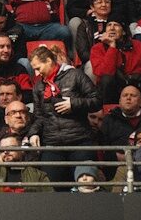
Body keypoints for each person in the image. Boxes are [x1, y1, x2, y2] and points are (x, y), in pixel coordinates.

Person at [26, 43, 100, 183]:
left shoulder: (76, 75)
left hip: (79, 140)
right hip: (52, 143)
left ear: (48, 61)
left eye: (38, 68)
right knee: (51, 187)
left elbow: (97, 101)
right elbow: (39, 116)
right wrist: (34, 133)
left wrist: (73, 104)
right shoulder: (38, 87)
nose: (36, 73)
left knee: (85, 185)